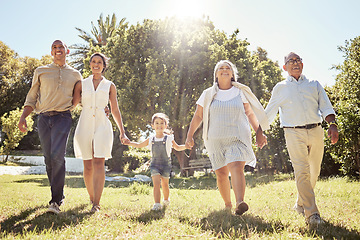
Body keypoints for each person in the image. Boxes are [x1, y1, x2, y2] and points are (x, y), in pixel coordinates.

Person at [185, 60, 269, 215]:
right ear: (216, 75)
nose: (224, 70)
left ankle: (239, 202)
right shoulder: (208, 94)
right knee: (221, 174)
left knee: (237, 167)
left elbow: (250, 113)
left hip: (238, 137)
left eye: (228, 68)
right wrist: (189, 135)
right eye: (221, 68)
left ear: (232, 74)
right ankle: (228, 204)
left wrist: (258, 131)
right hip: (215, 140)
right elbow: (198, 116)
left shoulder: (240, 92)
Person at [265, 52, 339, 225]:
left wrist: (332, 125)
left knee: (314, 171)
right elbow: (269, 112)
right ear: (285, 67)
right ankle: (312, 214)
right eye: (291, 61)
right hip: (293, 132)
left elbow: (325, 106)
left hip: (316, 130)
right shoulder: (280, 87)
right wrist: (260, 130)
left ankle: (300, 203)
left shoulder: (314, 84)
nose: (295, 63)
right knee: (302, 171)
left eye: (298, 60)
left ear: (303, 64)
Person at [18, 40, 82, 214]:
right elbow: (31, 97)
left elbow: (83, 97)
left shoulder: (75, 74)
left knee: (58, 156)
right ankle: (56, 195)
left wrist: (102, 108)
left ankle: (56, 200)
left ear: (67, 51)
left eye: (61, 46)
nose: (58, 49)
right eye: (54, 47)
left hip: (63, 117)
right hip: (44, 118)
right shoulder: (41, 71)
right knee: (48, 158)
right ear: (51, 52)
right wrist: (23, 117)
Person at [72, 52, 129, 213]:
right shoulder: (81, 84)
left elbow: (115, 110)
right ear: (89, 64)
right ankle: (91, 197)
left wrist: (122, 132)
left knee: (99, 163)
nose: (96, 64)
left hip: (103, 126)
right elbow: (72, 105)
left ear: (104, 66)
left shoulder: (110, 85)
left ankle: (96, 203)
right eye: (93, 61)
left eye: (99, 62)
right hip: (84, 125)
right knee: (87, 165)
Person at [124, 113, 188, 211]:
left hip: (166, 165)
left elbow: (178, 147)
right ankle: (157, 204)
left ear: (166, 125)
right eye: (157, 123)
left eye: (162, 123)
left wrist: (186, 146)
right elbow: (139, 145)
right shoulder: (151, 139)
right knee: (156, 184)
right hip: (154, 165)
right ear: (152, 126)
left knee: (165, 185)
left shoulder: (169, 138)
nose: (159, 125)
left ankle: (166, 200)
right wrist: (129, 143)